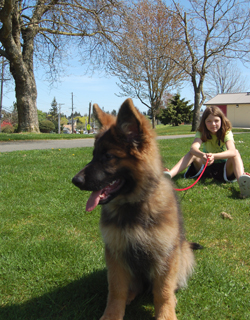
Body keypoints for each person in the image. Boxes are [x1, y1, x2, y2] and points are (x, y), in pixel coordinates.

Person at [164, 106, 250, 198]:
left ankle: (243, 183)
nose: (213, 124)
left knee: (236, 153)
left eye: (216, 121)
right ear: (204, 123)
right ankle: (169, 175)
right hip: (205, 166)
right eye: (209, 121)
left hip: (224, 169)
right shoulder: (201, 132)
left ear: (222, 120)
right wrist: (203, 155)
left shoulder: (226, 132)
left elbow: (232, 151)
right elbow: (193, 148)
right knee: (192, 154)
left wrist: (213, 156)